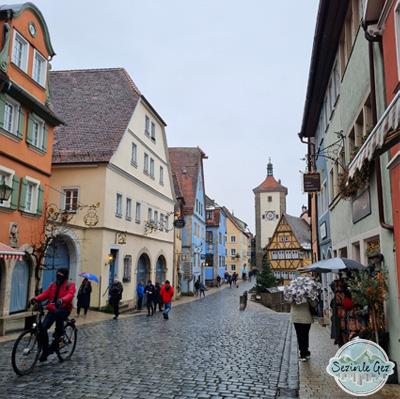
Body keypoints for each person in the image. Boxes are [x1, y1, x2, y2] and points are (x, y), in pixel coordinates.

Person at [30, 268, 76, 362]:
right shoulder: (53, 285)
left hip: (64, 308)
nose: (59, 275)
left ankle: (60, 332)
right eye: (58, 273)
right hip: (52, 309)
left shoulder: (70, 285)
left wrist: (62, 300)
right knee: (42, 328)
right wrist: (35, 299)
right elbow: (45, 294)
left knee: (58, 314)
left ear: (65, 275)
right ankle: (45, 350)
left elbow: (70, 295)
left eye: (61, 273)